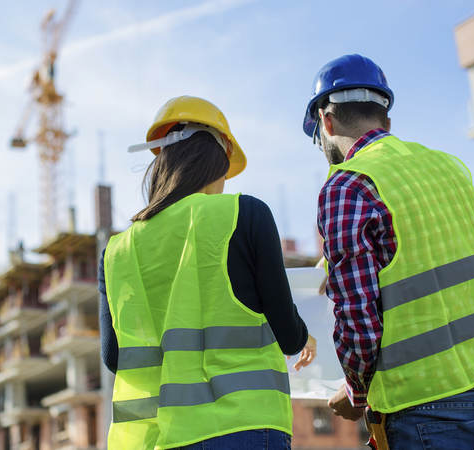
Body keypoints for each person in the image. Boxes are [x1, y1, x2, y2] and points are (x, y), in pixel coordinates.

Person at [99, 95, 316, 449]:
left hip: (156, 438)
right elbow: (289, 336)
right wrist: (305, 335)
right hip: (244, 427)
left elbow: (115, 358)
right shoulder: (244, 214)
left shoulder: (116, 251)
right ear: (217, 160)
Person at [304, 54, 474, 449]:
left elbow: (358, 319)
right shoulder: (449, 167)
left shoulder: (347, 186)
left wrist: (356, 392)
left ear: (325, 121)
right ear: (386, 120)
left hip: (427, 406)